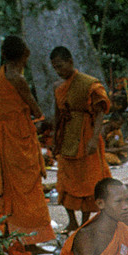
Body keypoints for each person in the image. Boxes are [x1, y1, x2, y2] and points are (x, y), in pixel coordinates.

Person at [0, 36, 53, 245]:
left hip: (4, 136)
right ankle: (30, 238)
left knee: (12, 188)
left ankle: (15, 235)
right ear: (24, 54)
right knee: (28, 188)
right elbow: (36, 110)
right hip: (20, 135)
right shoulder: (17, 79)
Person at [50, 47, 112, 233]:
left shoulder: (88, 83)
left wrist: (94, 138)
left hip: (86, 135)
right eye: (55, 68)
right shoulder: (58, 87)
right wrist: (54, 138)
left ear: (70, 61)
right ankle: (72, 221)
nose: (58, 71)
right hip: (66, 136)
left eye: (60, 66)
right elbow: (57, 113)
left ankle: (85, 221)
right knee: (65, 178)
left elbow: (100, 111)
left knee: (88, 180)